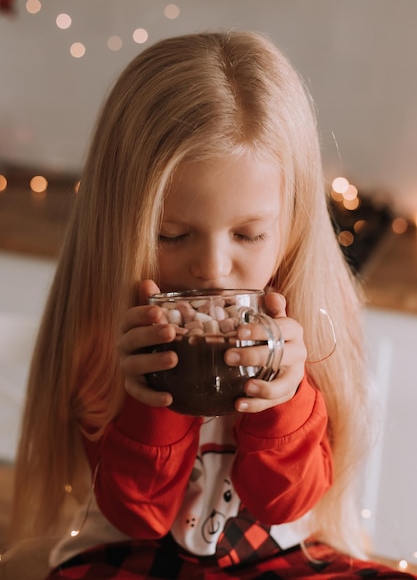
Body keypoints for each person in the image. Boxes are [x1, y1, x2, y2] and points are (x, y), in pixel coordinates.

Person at [6, 30, 415, 580]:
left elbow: (286, 504)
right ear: (122, 223)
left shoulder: (316, 319)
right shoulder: (107, 323)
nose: (214, 269)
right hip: (135, 556)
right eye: (172, 236)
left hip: (280, 556)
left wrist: (284, 402)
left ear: (291, 224)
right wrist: (152, 396)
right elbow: (137, 514)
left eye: (248, 236)